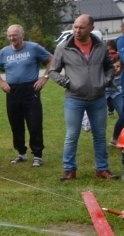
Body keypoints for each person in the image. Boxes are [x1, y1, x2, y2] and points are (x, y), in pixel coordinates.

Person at [49, 14, 117, 181]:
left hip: (98, 98)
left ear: (91, 28)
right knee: (72, 135)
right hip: (74, 98)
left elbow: (110, 66)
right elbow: (52, 71)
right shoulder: (64, 47)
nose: (77, 30)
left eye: (81, 27)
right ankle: (69, 169)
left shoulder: (101, 46)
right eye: (75, 27)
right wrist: (66, 83)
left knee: (100, 135)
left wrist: (106, 80)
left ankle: (102, 169)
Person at [0, 24, 53, 168]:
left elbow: (51, 59)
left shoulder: (34, 47)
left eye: (15, 35)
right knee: (16, 124)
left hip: (31, 90)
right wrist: (1, 82)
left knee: (34, 123)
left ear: (22, 35)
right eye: (10, 36)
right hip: (12, 91)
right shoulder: (4, 52)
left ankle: (37, 155)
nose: (12, 38)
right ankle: (21, 153)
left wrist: (44, 77)